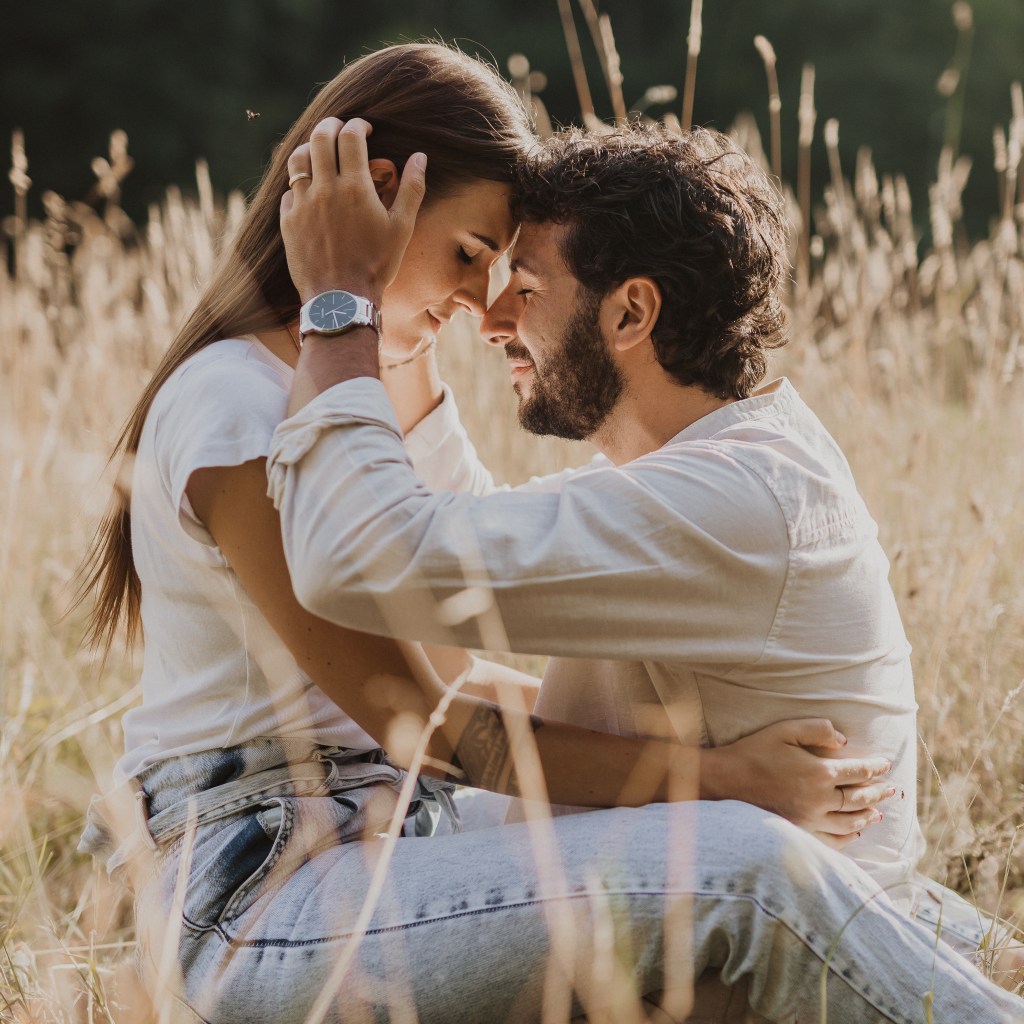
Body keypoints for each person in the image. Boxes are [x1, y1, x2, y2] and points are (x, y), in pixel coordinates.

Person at [74, 44, 1015, 1023]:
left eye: (506, 272)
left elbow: (447, 623)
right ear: (380, 197)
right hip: (266, 889)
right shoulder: (237, 404)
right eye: (470, 254)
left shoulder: (343, 399)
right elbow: (420, 713)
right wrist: (723, 781)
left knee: (848, 917)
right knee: (746, 862)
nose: (483, 305)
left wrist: (387, 328)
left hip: (397, 836)